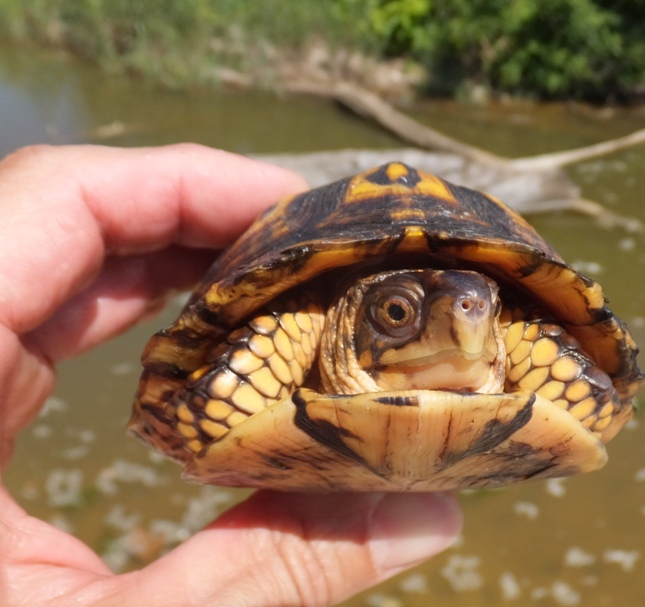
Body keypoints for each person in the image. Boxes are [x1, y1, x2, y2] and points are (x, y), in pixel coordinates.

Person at [0, 144, 462, 606]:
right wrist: (198, 415)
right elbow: (282, 329)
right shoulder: (303, 322)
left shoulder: (482, 324)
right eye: (397, 312)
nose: (466, 321)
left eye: (489, 310)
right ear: (347, 318)